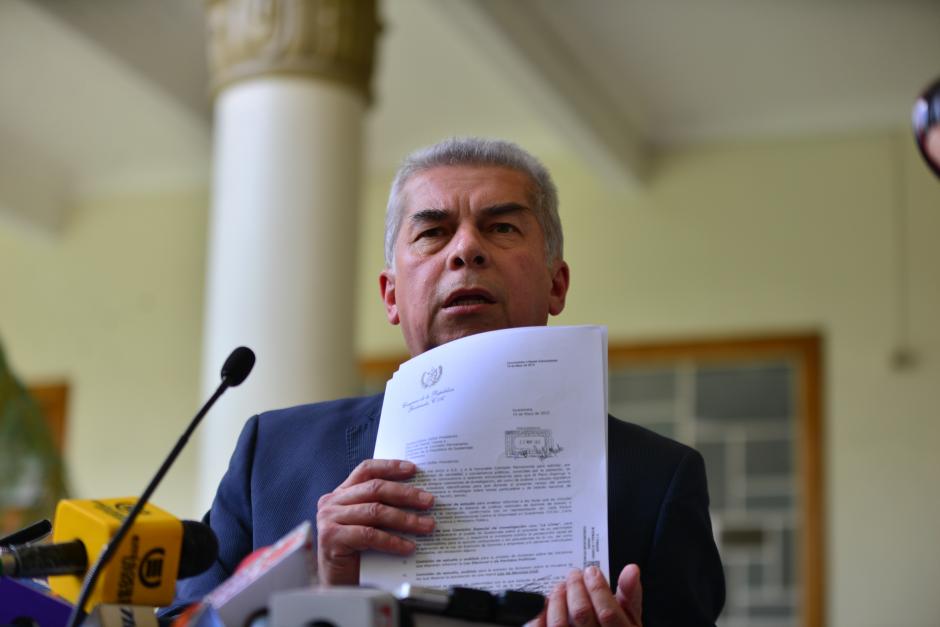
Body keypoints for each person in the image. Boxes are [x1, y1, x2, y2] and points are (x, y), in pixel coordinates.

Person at [169, 138, 725, 626]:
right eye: (433, 232)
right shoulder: (272, 458)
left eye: (501, 227)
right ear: (390, 295)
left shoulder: (659, 480)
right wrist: (316, 582)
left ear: (557, 285)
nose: (466, 250)